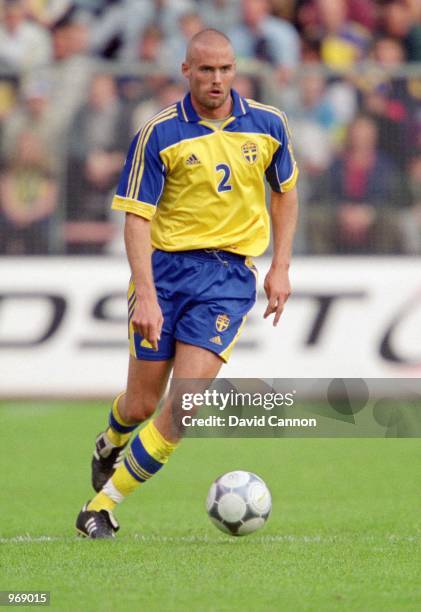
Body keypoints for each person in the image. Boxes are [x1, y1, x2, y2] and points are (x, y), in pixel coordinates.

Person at [75, 28, 298, 539]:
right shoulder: (160, 132)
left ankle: (101, 507)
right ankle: (110, 441)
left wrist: (281, 265)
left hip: (227, 280)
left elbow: (286, 192)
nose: (216, 79)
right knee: (140, 404)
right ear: (186, 71)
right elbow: (136, 218)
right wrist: (146, 297)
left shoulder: (269, 124)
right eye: (205, 70)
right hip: (167, 274)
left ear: (235, 69)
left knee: (185, 405)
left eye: (225, 69)